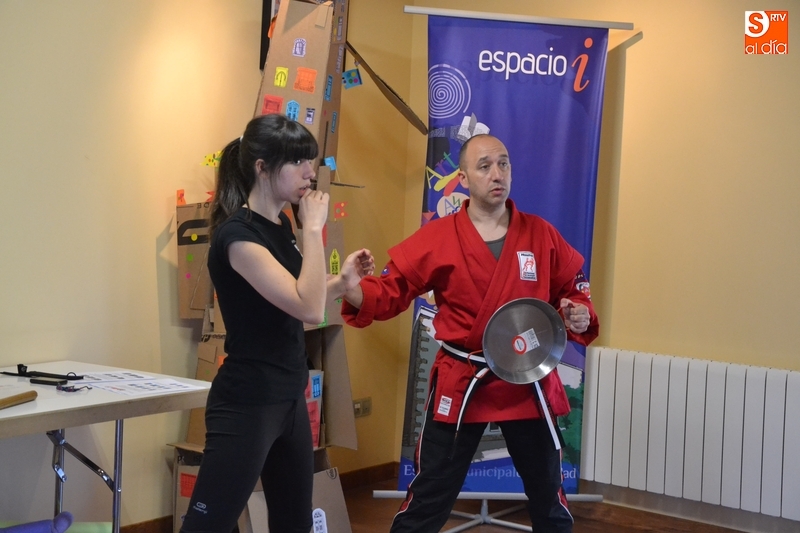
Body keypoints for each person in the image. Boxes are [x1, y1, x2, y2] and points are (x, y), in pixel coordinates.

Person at [341, 134, 599, 533]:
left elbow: (574, 290)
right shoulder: (438, 237)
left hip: (526, 380)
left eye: (504, 164)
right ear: (462, 178)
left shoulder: (540, 234)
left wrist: (579, 313)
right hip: (463, 381)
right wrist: (351, 288)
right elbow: (391, 290)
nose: (497, 174)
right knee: (429, 495)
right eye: (485, 166)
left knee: (549, 497)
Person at [179, 113, 375, 533]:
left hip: (288, 396)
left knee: (293, 523)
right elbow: (309, 309)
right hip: (247, 401)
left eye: (310, 161)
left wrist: (341, 283)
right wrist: (314, 229)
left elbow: (294, 296)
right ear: (262, 168)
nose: (310, 173)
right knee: (207, 527)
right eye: (297, 162)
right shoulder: (238, 238)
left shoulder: (280, 223)